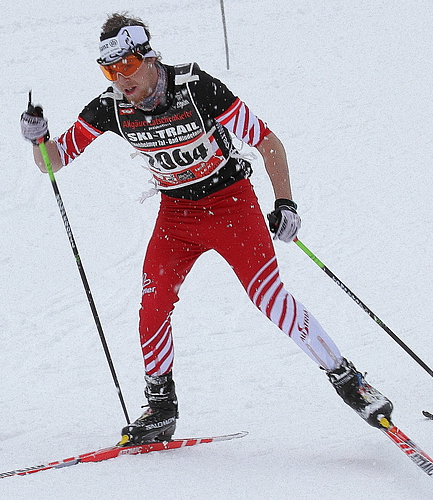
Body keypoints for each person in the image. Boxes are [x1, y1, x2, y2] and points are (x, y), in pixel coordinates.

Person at [21, 13, 392, 444]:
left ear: (148, 57)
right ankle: (161, 407)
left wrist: (285, 203)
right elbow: (55, 159)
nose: (120, 80)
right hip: (176, 216)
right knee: (152, 301)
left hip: (230, 204)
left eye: (126, 67)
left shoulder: (196, 87)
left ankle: (350, 381)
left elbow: (267, 142)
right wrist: (38, 138)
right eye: (109, 70)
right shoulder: (111, 108)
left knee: (268, 297)